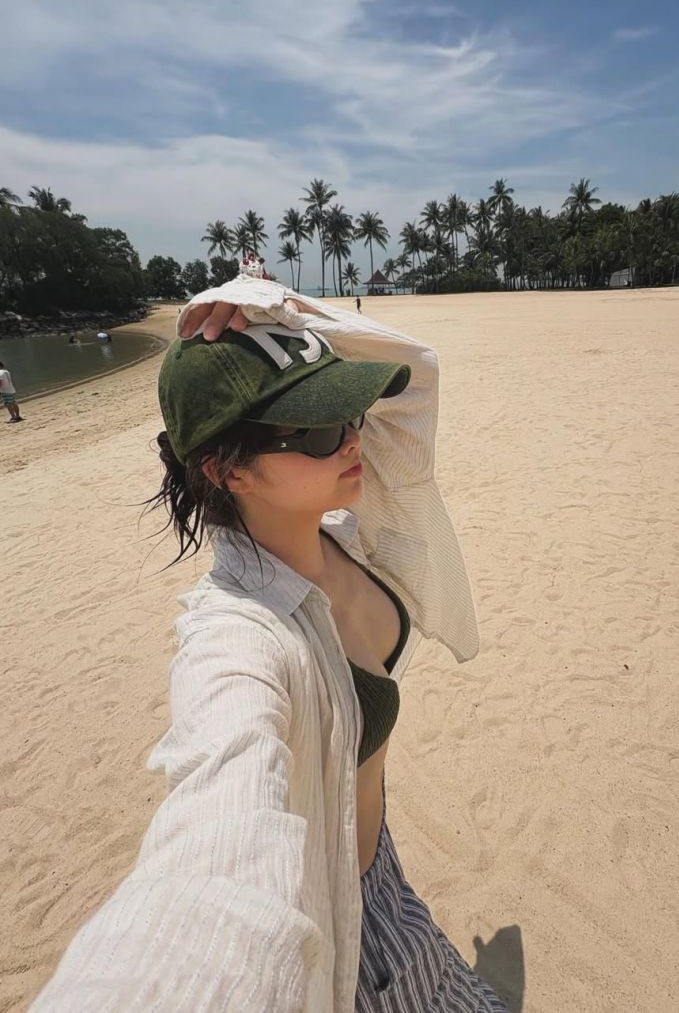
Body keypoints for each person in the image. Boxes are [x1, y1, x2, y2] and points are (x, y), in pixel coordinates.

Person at [32, 271, 507, 1012]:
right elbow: (218, 843)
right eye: (317, 429)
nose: (353, 436)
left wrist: (283, 310)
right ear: (227, 469)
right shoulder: (238, 635)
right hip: (344, 930)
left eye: (348, 409)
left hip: (382, 868)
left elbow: (415, 375)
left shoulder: (351, 531)